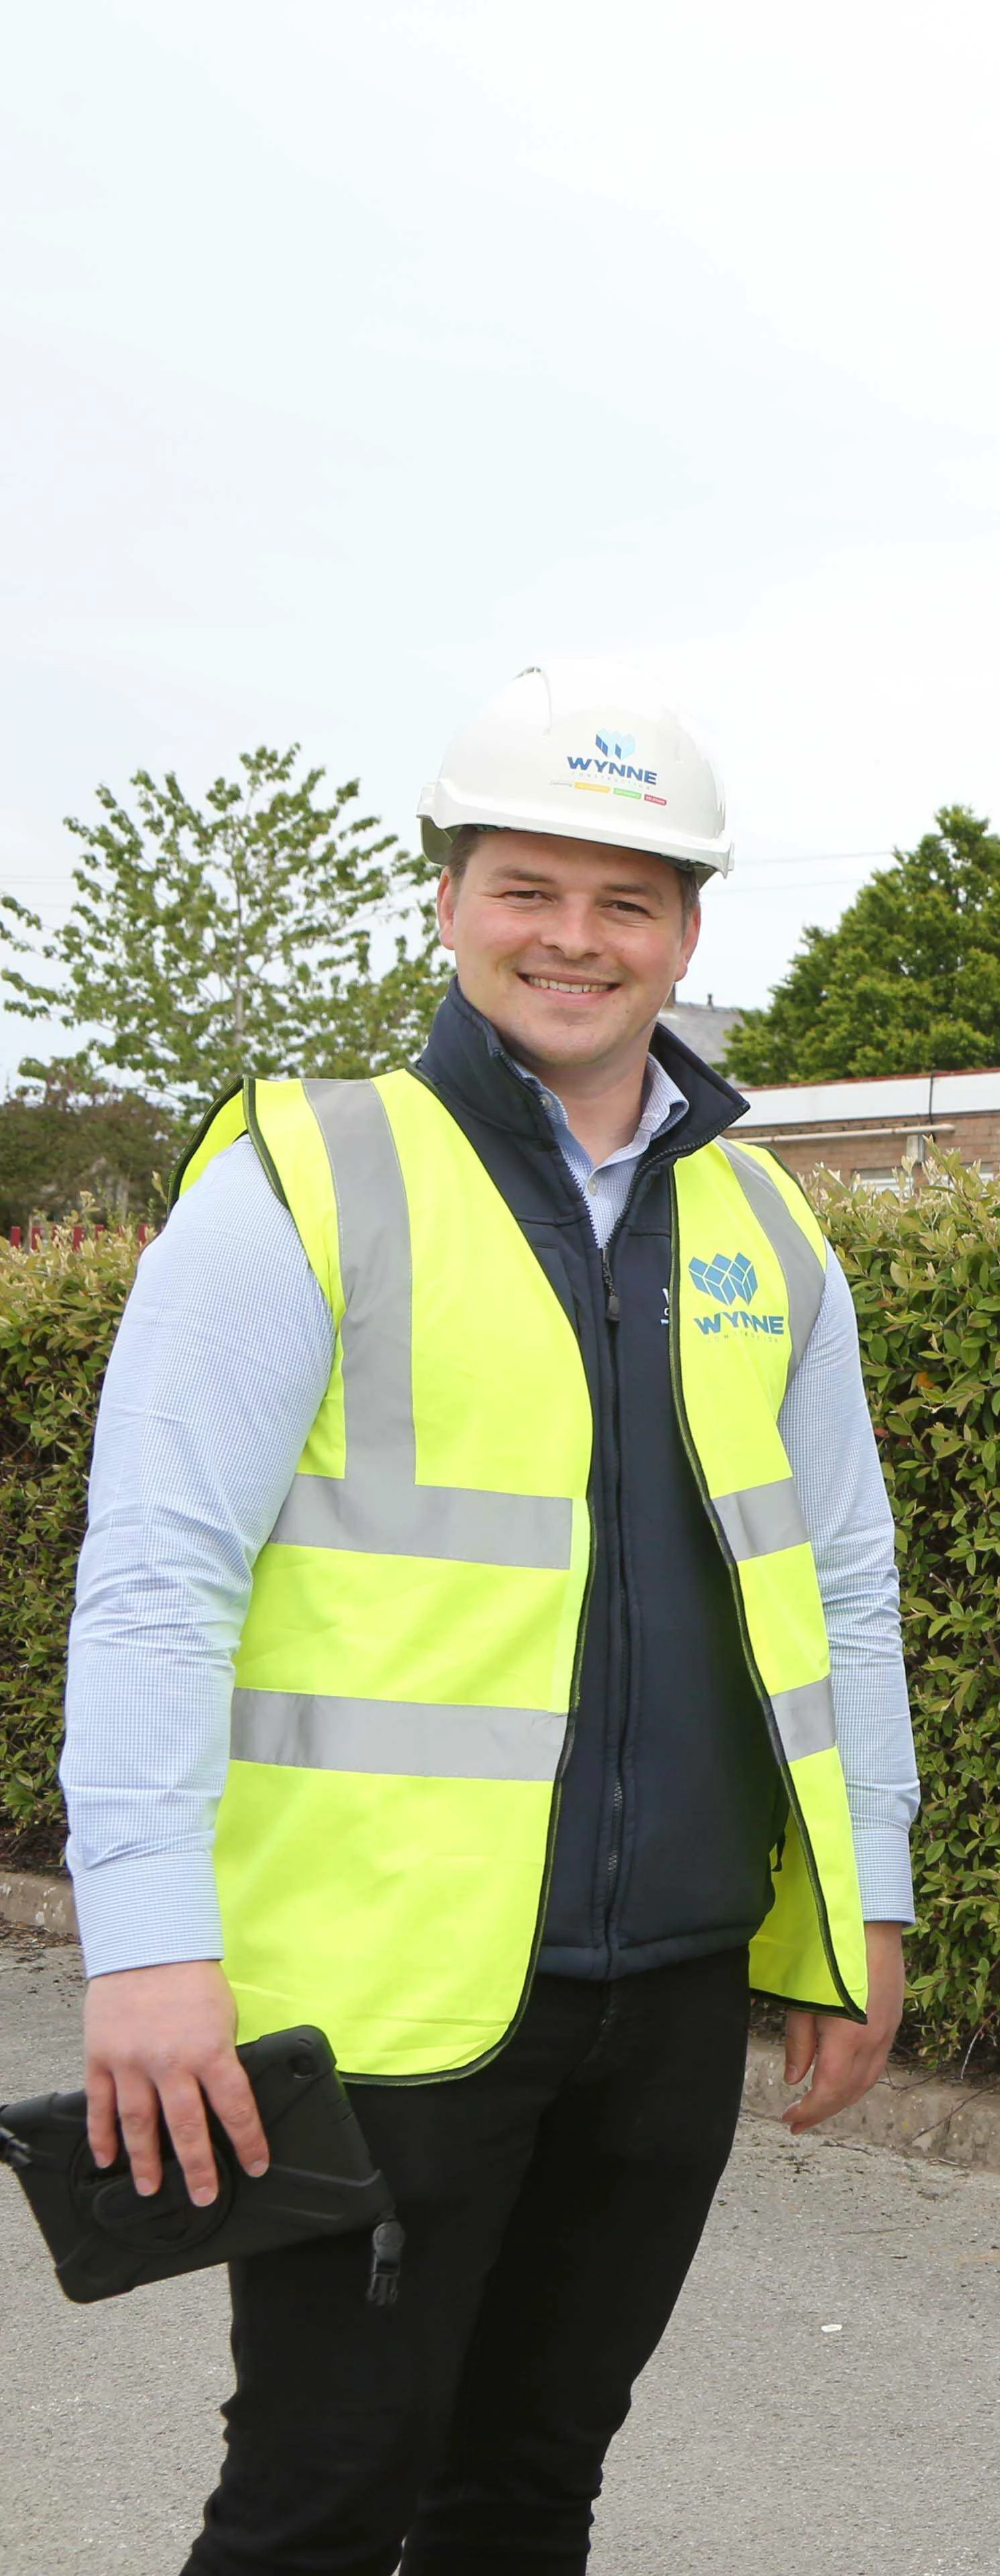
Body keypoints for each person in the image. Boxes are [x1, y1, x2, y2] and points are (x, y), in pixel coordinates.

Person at [60, 663, 921, 2574]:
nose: (576, 940)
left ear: (688, 932)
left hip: (671, 1984)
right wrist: (146, 1946)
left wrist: (872, 1902)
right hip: (375, 1996)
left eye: (628, 902)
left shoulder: (769, 1231)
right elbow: (156, 1575)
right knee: (319, 2497)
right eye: (528, 887)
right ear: (446, 898)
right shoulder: (311, 1172)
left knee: (532, 2490)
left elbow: (842, 1585)